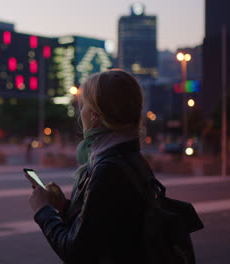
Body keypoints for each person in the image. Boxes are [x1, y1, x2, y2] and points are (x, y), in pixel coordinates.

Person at [26, 69, 150, 264]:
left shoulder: (108, 169)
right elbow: (102, 228)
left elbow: (76, 252)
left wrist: (42, 210)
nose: (80, 112)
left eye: (83, 105)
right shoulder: (129, 156)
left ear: (95, 115)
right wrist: (64, 206)